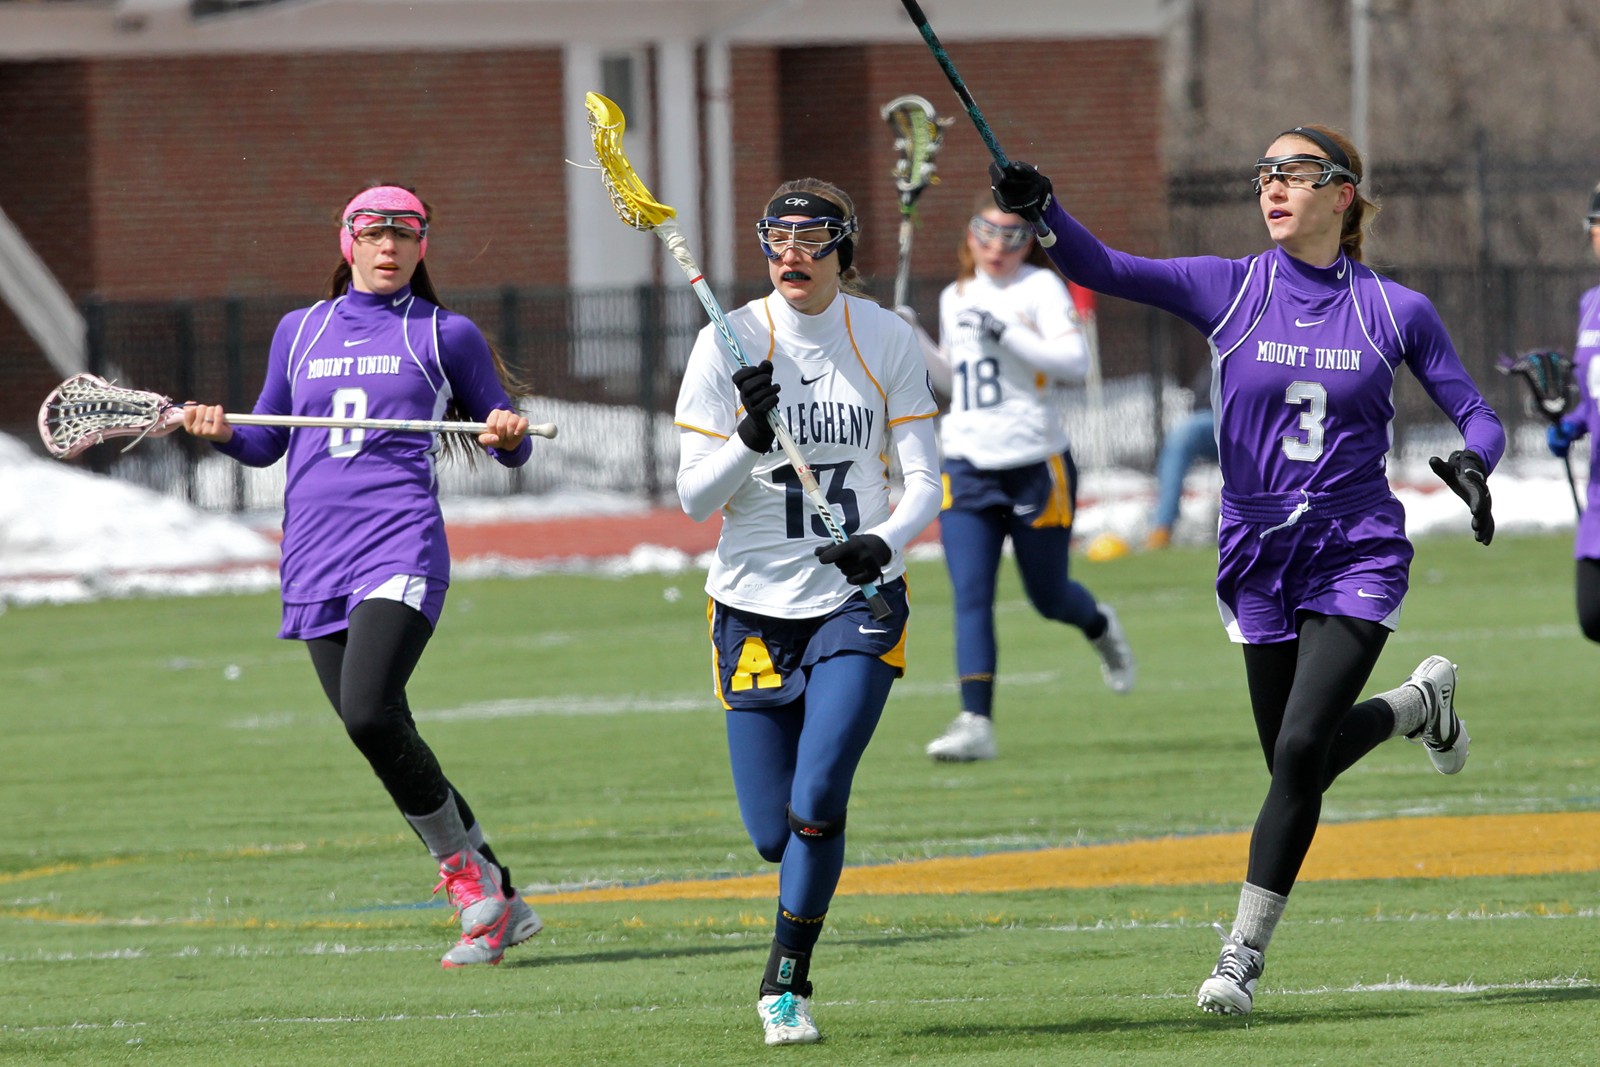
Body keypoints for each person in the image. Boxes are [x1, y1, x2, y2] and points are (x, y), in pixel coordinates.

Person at [989, 124, 1503, 1015]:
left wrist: (1476, 463)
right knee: (1290, 763)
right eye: (1265, 173)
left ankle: (1239, 958)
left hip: (1356, 548)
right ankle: (1420, 706)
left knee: (1302, 747)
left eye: (1296, 174)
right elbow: (1105, 267)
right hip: (1258, 553)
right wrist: (1045, 215)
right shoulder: (1231, 287)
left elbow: (1475, 412)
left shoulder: (1395, 309)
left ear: (1342, 194)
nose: (1274, 187)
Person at [182, 184, 542, 969]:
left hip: (398, 546)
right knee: (384, 732)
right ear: (347, 243)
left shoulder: (446, 334)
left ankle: (466, 880)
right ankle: (495, 899)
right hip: (313, 554)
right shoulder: (299, 329)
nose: (389, 248)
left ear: (422, 247)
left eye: (404, 236)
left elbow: (509, 443)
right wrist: (219, 433)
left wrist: (508, 434)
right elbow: (264, 440)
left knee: (369, 713)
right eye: (374, 235)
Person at [673, 178, 942, 1045]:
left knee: (820, 794)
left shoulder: (885, 339)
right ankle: (806, 867)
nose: (793, 252)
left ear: (842, 249)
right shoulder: (729, 340)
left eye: (812, 238)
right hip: (751, 607)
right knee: (772, 833)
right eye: (777, 238)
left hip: (855, 600)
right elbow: (690, 498)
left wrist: (885, 545)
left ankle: (784, 981)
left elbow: (927, 481)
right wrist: (749, 439)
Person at [898, 195, 1135, 764]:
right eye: (987, 232)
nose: (997, 246)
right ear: (969, 235)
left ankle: (1100, 625)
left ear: (1029, 241)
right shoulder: (955, 295)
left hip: (1035, 461)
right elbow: (956, 380)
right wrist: (912, 339)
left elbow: (1074, 364)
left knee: (1048, 596)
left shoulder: (1040, 290)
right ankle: (975, 720)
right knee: (971, 595)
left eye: (1012, 235)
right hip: (967, 462)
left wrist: (1003, 330)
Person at [1544, 181, 1600, 642]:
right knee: (1594, 616)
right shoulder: (1591, 304)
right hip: (1599, 492)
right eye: (1596, 224)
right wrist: (1572, 423)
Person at [1146, 364, 1219, 550]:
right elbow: (1200, 397)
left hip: (1247, 422)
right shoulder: (1222, 341)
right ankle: (1162, 527)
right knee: (1181, 435)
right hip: (1212, 419)